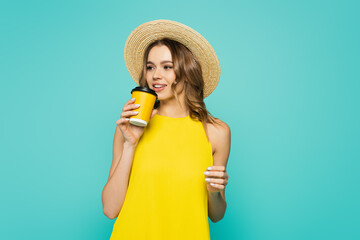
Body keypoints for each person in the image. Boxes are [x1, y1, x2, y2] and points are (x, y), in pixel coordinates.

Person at [102, 20, 231, 239]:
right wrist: (130, 144)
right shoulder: (130, 127)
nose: (155, 75)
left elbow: (216, 214)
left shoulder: (216, 132)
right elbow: (110, 209)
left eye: (167, 67)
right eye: (150, 67)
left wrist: (215, 192)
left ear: (188, 71)